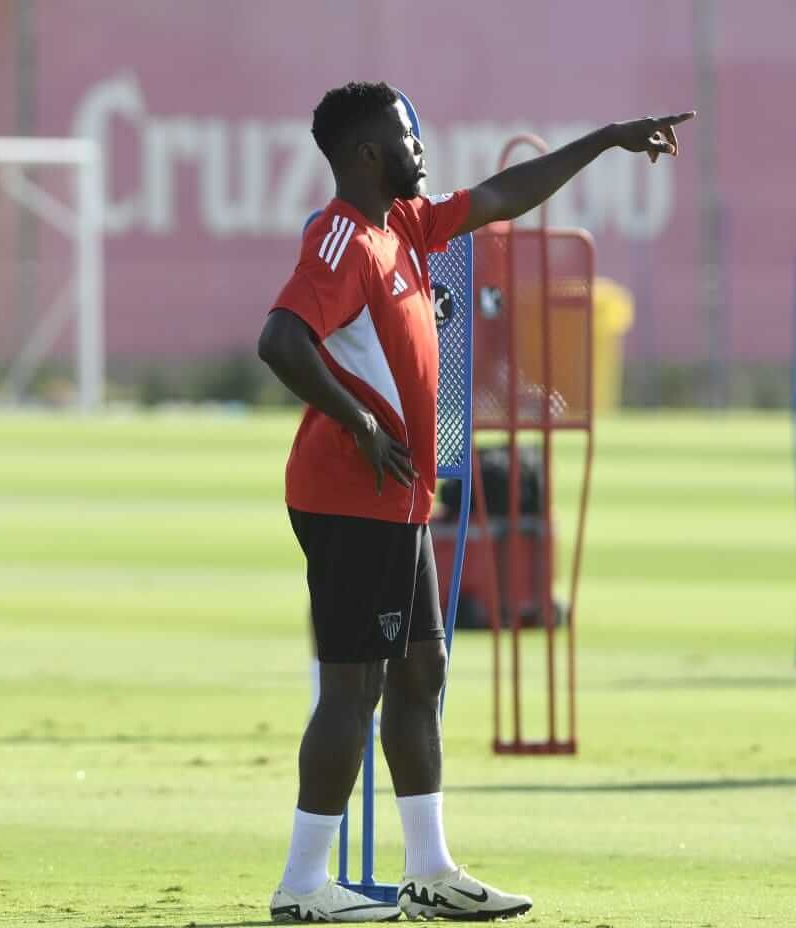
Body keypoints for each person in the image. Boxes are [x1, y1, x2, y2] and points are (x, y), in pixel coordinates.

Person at [258, 81, 691, 923]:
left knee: (422, 673)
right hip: (354, 495)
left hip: (401, 498)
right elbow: (281, 338)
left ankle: (429, 870)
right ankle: (303, 885)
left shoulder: (406, 226)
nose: (421, 145)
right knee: (353, 690)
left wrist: (608, 137)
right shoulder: (344, 235)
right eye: (406, 135)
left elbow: (501, 197)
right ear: (366, 155)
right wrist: (358, 424)